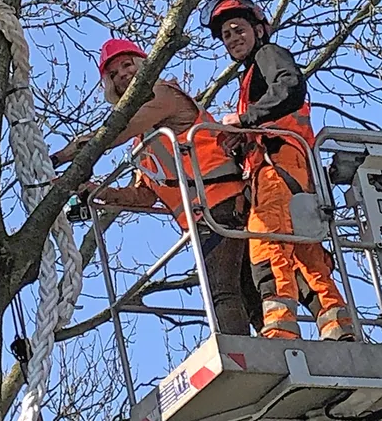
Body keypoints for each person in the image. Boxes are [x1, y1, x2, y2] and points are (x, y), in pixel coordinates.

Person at [51, 38, 260, 335]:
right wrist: (96, 191)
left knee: (223, 288)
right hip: (203, 216)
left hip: (222, 202)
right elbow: (145, 195)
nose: (122, 73)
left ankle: (242, 354)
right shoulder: (145, 142)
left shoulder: (164, 95)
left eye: (127, 64)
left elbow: (112, 134)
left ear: (143, 64)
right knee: (244, 287)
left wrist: (60, 158)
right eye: (113, 73)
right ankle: (271, 342)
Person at [200, 0, 356, 341]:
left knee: (266, 240)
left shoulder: (269, 56)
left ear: (258, 29)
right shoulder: (252, 75)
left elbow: (290, 87)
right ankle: (338, 326)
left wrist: (244, 120)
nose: (233, 38)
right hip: (288, 168)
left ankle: (280, 327)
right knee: (304, 251)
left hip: (277, 167)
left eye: (238, 30)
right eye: (226, 35)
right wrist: (241, 137)